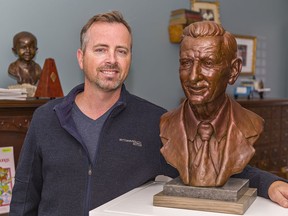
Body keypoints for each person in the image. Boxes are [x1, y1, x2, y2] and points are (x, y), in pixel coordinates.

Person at [9, 11, 287, 216]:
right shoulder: (46, 118)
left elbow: (221, 167)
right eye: (101, 49)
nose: (111, 60)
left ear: (130, 58)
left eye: (121, 51)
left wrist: (269, 183)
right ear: (82, 57)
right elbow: (24, 199)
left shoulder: (156, 122)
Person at [160, 20, 288, 203]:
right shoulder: (166, 124)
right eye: (186, 63)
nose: (193, 76)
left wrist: (270, 184)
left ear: (233, 71)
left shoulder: (251, 125)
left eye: (208, 63)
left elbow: (245, 172)